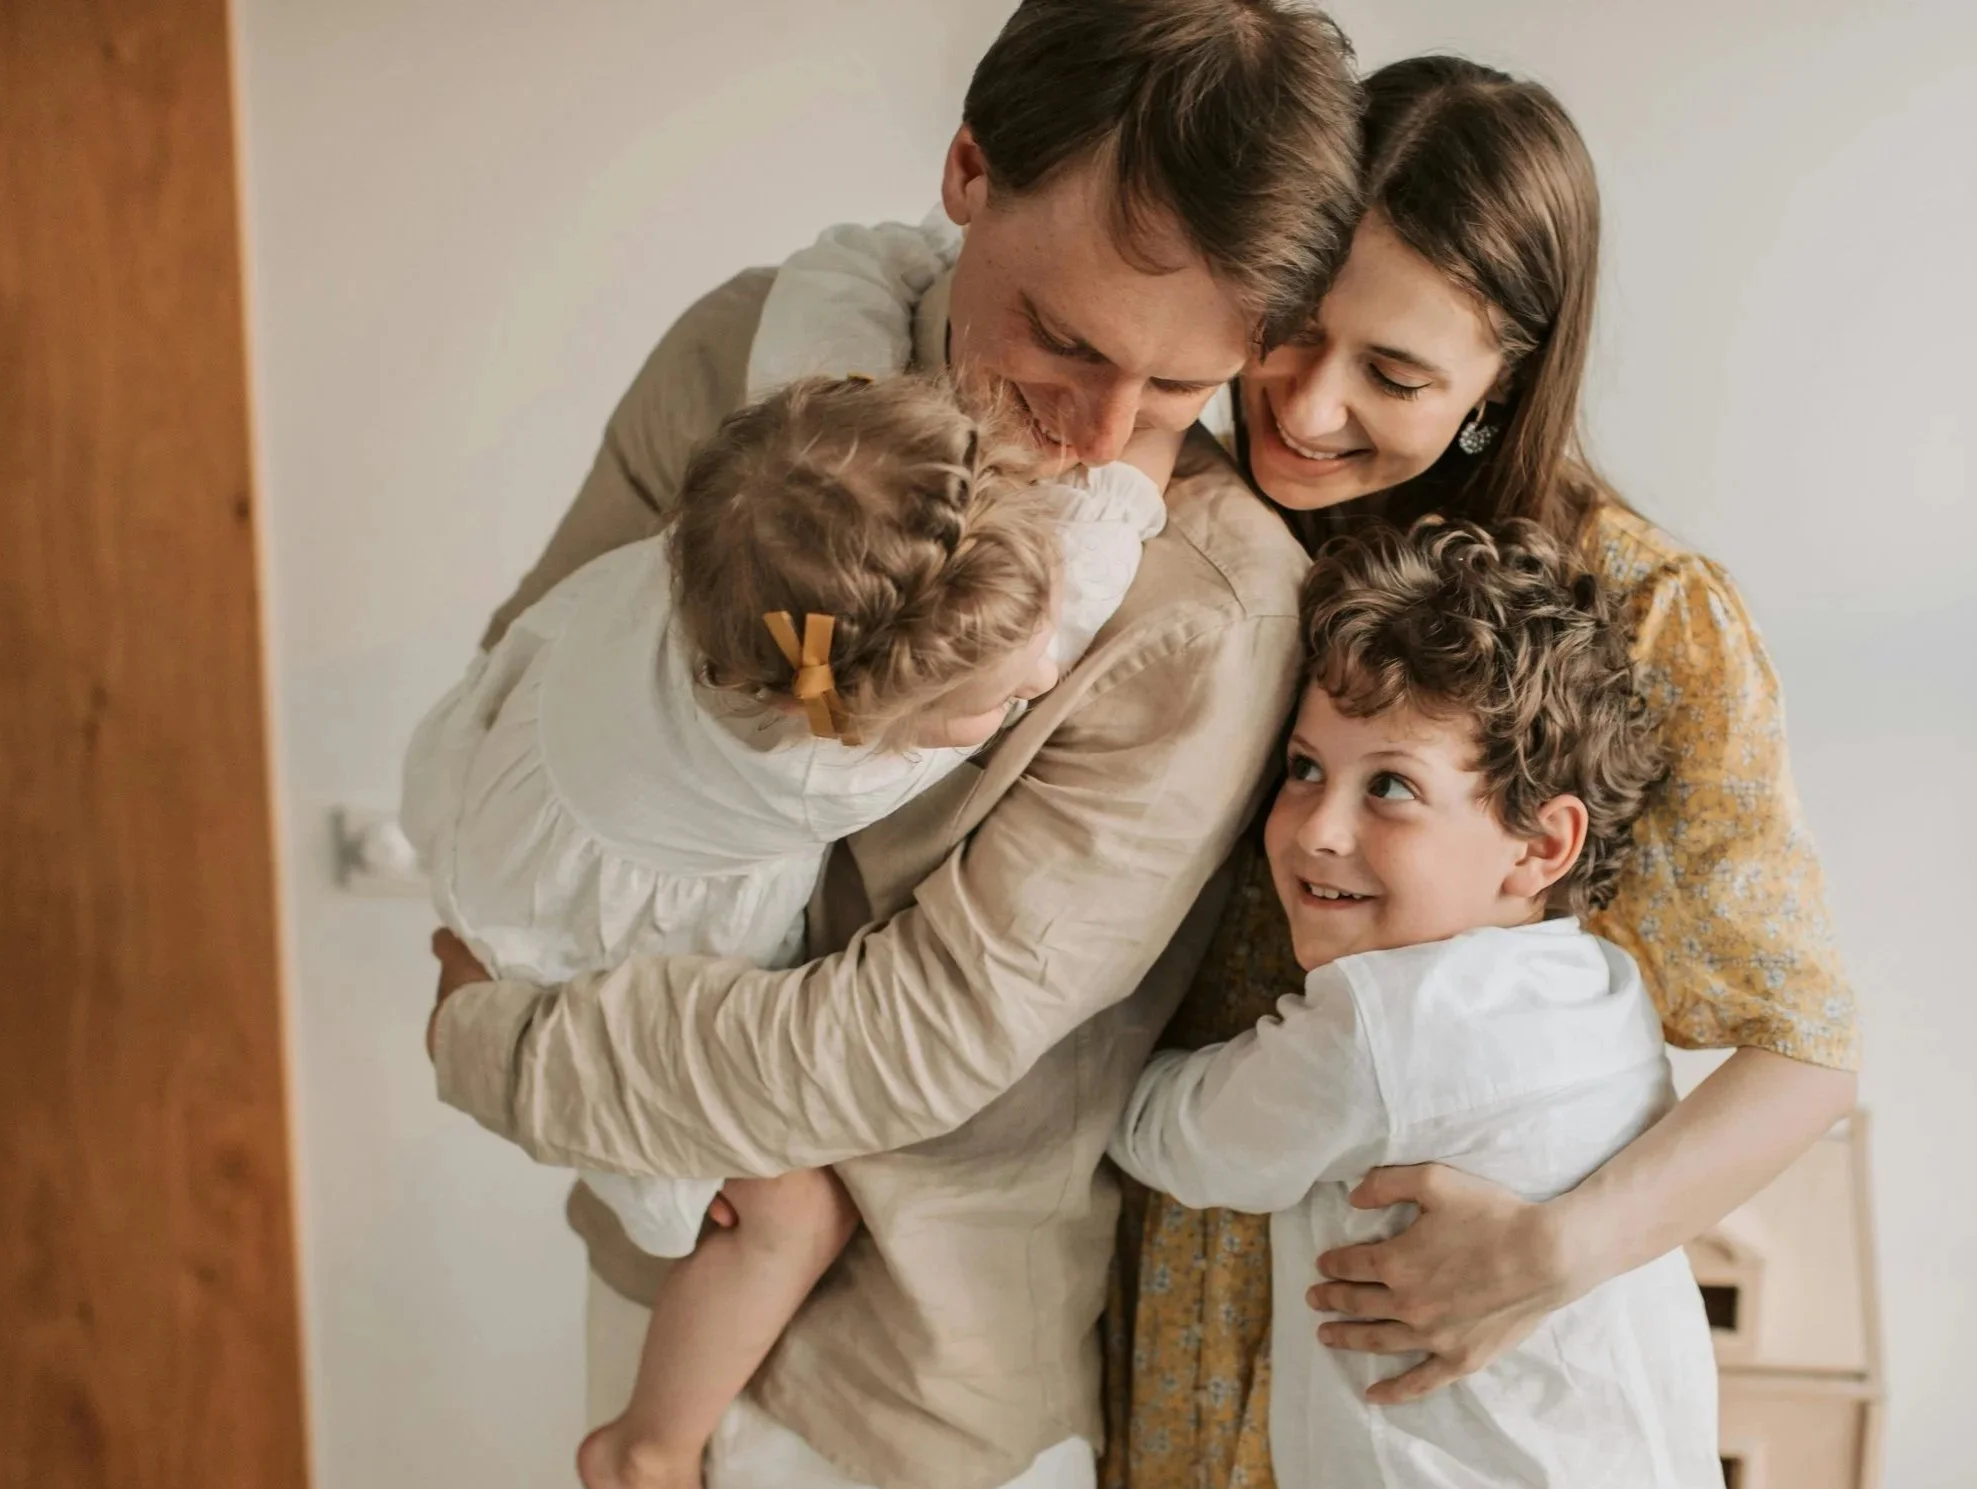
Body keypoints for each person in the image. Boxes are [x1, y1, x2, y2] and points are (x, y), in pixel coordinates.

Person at [424, 4, 1364, 1488]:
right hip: (655, 1260)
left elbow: (923, 1030)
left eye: (1184, 392)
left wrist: (504, 1047)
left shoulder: (1208, 608)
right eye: (1063, 338)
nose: (1099, 432)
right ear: (969, 170)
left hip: (917, 1386)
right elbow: (540, 688)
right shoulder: (748, 351)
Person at [1109, 56, 1862, 1488]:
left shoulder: (1644, 616)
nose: (1308, 406)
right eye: (1293, 330)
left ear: (1498, 379)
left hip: (1441, 1340)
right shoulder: (1177, 525)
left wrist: (1549, 1251)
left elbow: (1802, 1054)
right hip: (1179, 1282)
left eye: (1393, 372)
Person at [404, 370, 1177, 1489]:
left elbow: (833, 294)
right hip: (566, 939)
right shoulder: (817, 766)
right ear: (856, 718)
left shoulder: (745, 530)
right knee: (790, 1211)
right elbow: (1104, 547)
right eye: (1001, 703)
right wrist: (1157, 428)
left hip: (493, 815)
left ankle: (475, 948)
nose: (1046, 675)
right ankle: (647, 1443)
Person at [1108, 517, 1722, 1489]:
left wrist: (1088, 1025)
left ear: (1540, 845)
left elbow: (1167, 1132)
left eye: (1389, 785)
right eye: (1303, 768)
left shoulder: (1386, 1026)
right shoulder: (1601, 989)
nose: (1319, 827)